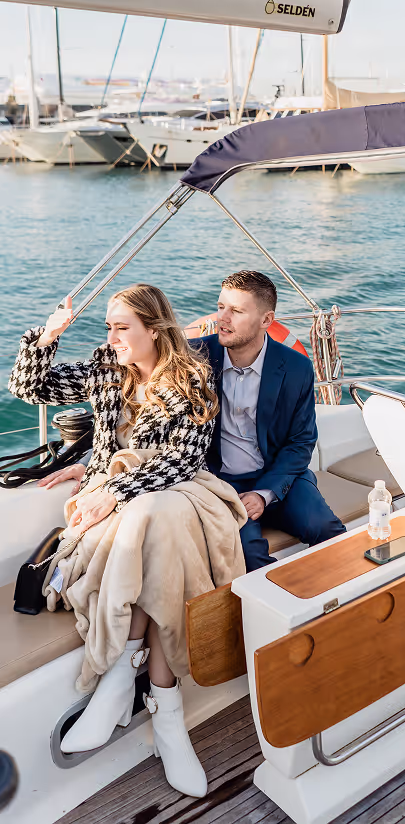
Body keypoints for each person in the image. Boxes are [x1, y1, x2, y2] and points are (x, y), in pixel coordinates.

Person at [8, 284, 226, 798]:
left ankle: (120, 679)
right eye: (109, 327)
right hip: (129, 504)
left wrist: (115, 493)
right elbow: (29, 387)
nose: (111, 338)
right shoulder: (108, 365)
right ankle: (166, 713)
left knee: (154, 515)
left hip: (175, 490)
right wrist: (48, 336)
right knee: (157, 532)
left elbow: (183, 461)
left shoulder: (193, 379)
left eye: (122, 327)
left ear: (155, 329)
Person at [197, 269, 346, 570]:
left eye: (236, 311)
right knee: (248, 556)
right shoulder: (196, 358)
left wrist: (264, 494)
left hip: (279, 476)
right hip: (219, 483)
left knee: (328, 531)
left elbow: (301, 442)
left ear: (266, 320)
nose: (222, 318)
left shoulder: (296, 367)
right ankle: (282, 601)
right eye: (221, 306)